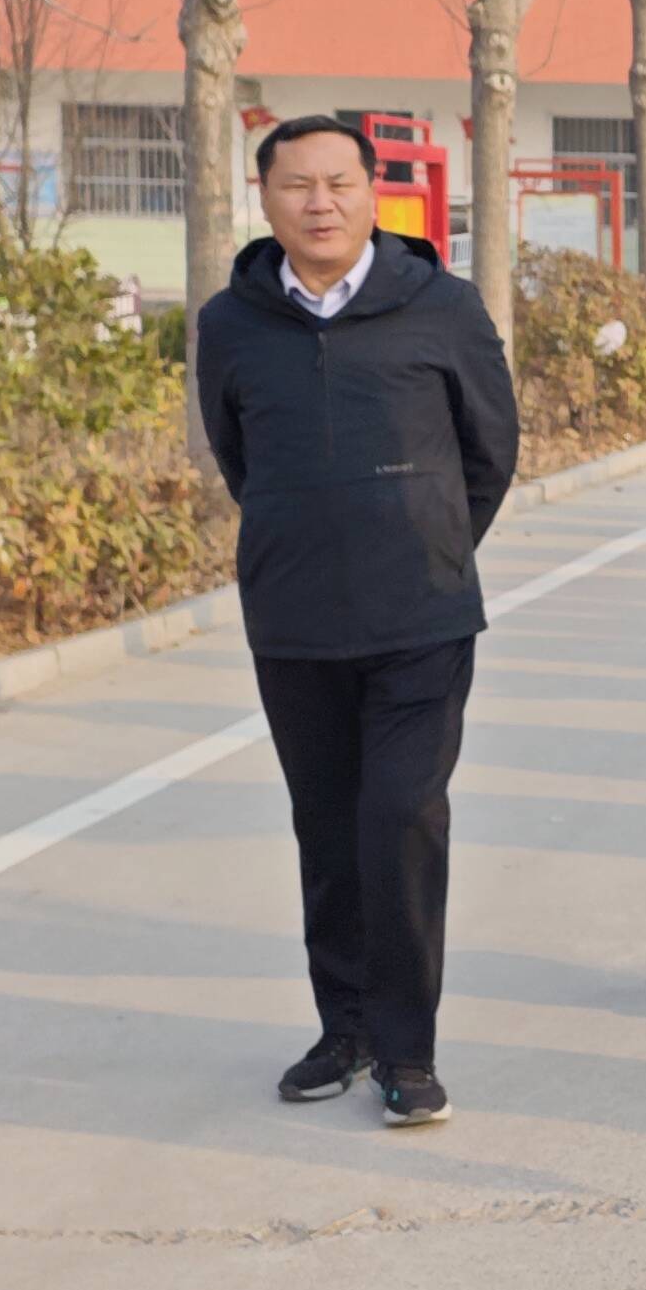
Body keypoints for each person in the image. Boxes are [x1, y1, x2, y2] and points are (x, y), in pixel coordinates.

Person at [201, 113, 519, 1131]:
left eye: (339, 183)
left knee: (402, 820)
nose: (320, 203)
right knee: (327, 830)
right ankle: (342, 1029)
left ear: (373, 192)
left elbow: (491, 452)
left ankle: (406, 1050)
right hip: (294, 622)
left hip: (420, 617)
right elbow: (239, 458)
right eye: (297, 185)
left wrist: (428, 541)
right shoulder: (231, 322)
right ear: (265, 198)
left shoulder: (443, 308)